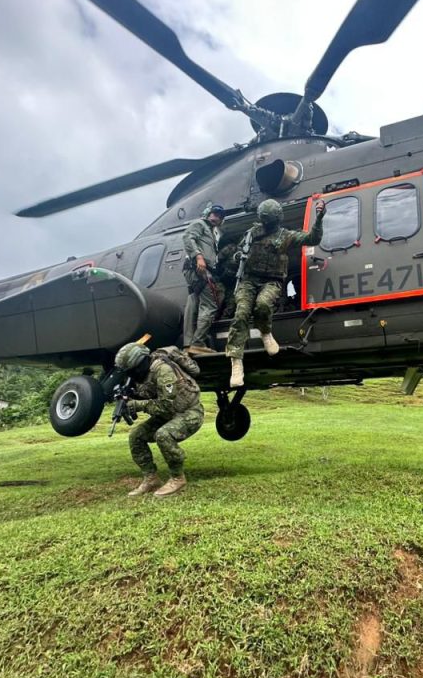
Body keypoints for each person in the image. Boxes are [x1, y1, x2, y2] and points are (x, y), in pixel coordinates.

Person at [226, 198, 326, 387]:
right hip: (249, 280)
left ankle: (266, 332)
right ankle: (236, 362)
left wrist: (319, 217)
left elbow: (313, 239)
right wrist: (239, 256)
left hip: (272, 280)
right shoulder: (251, 233)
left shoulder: (285, 236)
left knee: (263, 305)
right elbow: (237, 254)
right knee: (241, 314)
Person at [114, 342, 204, 497]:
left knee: (163, 435)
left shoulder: (163, 371)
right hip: (168, 415)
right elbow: (149, 394)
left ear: (140, 363)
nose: (131, 376)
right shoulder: (143, 374)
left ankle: (177, 478)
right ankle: (151, 479)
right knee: (136, 436)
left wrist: (137, 405)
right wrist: (128, 397)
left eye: (132, 371)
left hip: (189, 413)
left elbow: (165, 406)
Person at [182, 203, 225, 355]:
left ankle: (189, 344)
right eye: (214, 213)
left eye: (220, 216)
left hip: (199, 270)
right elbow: (187, 237)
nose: (216, 217)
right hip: (198, 269)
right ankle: (198, 342)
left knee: (194, 302)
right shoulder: (200, 224)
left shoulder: (212, 233)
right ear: (208, 213)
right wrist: (198, 256)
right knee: (210, 305)